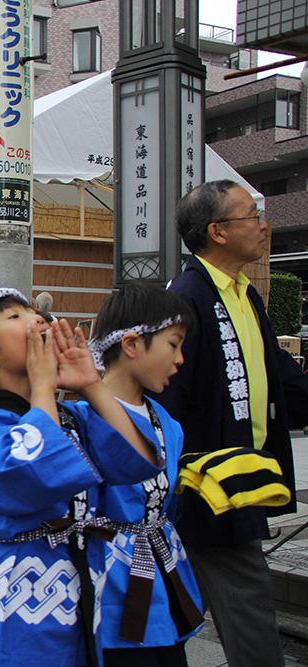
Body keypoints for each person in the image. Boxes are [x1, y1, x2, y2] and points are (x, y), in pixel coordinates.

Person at [0, 288, 161, 667]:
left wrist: (92, 385)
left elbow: (141, 461)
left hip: (83, 584)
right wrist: (43, 387)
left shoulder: (72, 414)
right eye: (15, 316)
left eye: (31, 308)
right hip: (19, 599)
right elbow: (36, 472)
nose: (36, 317)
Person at [154, 180, 308, 667]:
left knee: (175, 607)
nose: (263, 225)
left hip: (242, 478)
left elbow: (283, 382)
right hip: (210, 485)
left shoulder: (245, 294)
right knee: (248, 609)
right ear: (218, 231)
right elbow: (168, 400)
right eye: (251, 214)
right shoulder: (188, 297)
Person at [88, 284, 205, 665]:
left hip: (164, 569)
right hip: (107, 582)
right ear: (133, 344)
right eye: (174, 344)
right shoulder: (80, 422)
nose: (180, 359)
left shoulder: (167, 422)